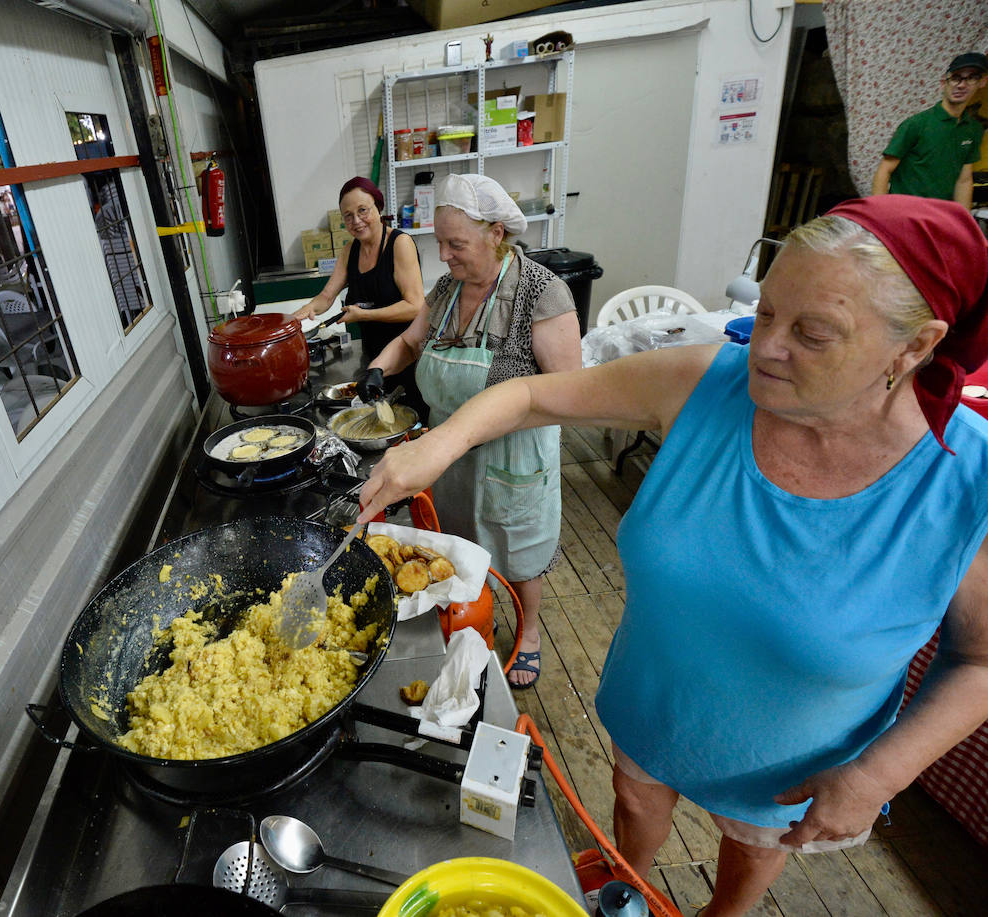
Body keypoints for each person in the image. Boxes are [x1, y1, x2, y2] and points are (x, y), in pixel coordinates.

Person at [357, 194, 988, 916]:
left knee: (746, 864)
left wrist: (879, 774)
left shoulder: (966, 484)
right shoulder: (706, 385)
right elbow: (534, 394)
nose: (767, 346)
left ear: (915, 347)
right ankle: (632, 884)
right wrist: (441, 442)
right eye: (769, 311)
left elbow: (980, 660)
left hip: (791, 769)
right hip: (652, 709)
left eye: (813, 332)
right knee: (634, 810)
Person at [362, 173, 581, 687]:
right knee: (459, 545)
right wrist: (379, 365)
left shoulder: (541, 294)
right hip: (449, 454)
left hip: (513, 455)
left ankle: (528, 636)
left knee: (519, 552)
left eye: (455, 243)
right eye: (438, 242)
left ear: (495, 233)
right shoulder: (445, 290)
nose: (444, 255)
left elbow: (569, 394)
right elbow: (411, 344)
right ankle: (472, 618)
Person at [290, 177, 429, 421]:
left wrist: (364, 315)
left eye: (362, 210)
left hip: (407, 358)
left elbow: (415, 306)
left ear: (378, 207)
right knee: (380, 421)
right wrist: (307, 309)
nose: (356, 221)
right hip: (373, 357)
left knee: (410, 421)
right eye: (348, 215)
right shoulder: (350, 250)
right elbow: (326, 296)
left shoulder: (400, 243)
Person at [872, 52, 987, 208]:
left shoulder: (973, 129)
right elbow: (884, 170)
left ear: (982, 82)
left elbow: (964, 179)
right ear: (943, 83)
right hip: (906, 213)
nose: (961, 84)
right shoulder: (916, 124)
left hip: (942, 215)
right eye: (955, 78)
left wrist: (963, 221)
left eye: (971, 78)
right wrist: (879, 213)